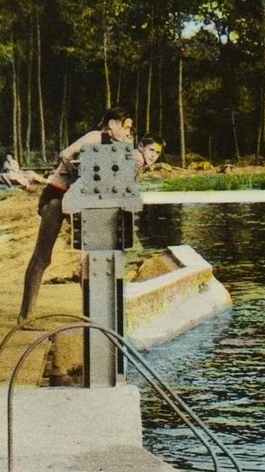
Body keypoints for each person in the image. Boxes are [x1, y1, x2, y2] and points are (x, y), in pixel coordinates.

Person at [19, 106, 162, 324]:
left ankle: (93, 313)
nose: (128, 133)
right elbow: (65, 154)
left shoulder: (122, 147)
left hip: (82, 202)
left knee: (92, 257)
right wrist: (78, 174)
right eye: (126, 128)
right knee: (43, 256)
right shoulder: (95, 137)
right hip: (57, 196)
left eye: (131, 129)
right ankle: (25, 316)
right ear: (112, 124)